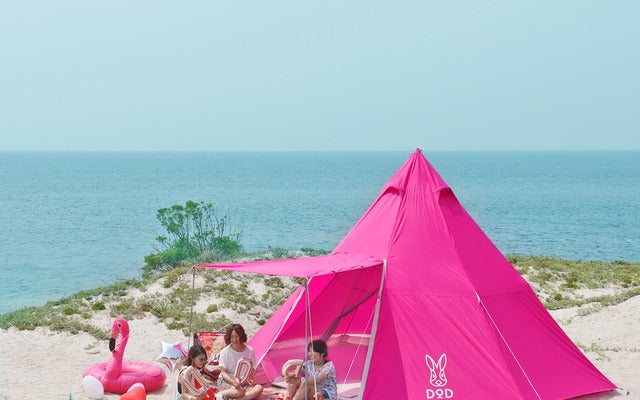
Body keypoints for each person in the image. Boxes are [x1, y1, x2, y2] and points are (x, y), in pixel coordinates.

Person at [217, 324, 264, 400]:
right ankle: (222, 395)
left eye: (237, 336)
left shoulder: (250, 351)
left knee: (259, 388)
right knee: (239, 392)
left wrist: (250, 380)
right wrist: (233, 382)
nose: (234, 339)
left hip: (243, 381)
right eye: (232, 337)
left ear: (241, 336)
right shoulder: (225, 352)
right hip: (228, 381)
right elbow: (223, 372)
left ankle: (237, 399)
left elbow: (252, 369)